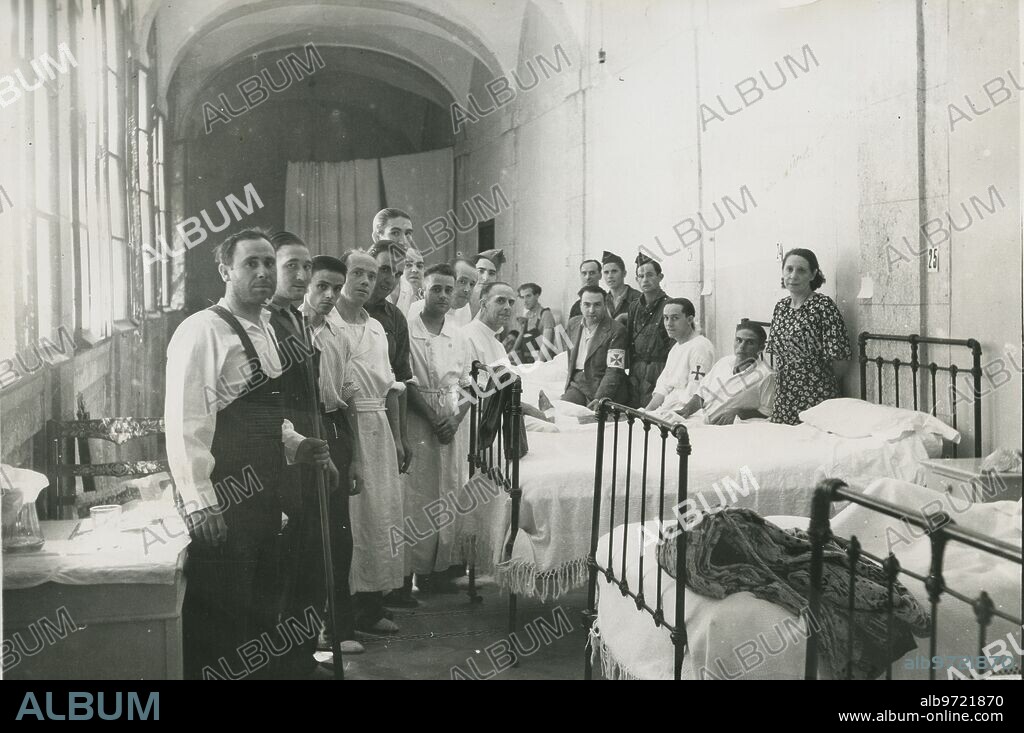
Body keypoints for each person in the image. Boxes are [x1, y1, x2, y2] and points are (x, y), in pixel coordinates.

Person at [165, 228, 337, 680]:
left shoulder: (265, 327)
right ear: (225, 271)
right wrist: (201, 502)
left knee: (262, 611)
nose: (262, 272)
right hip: (225, 496)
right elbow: (187, 425)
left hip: (267, 493)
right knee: (223, 620)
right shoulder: (201, 331)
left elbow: (264, 415)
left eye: (267, 262)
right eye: (250, 264)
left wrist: (297, 445)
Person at [333, 250, 407, 634]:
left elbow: (392, 386)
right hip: (348, 424)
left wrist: (396, 438)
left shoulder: (376, 327)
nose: (366, 280)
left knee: (380, 516)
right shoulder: (329, 325)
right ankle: (341, 615)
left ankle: (371, 605)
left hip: (379, 424)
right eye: (357, 273)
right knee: (352, 519)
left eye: (372, 274)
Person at [298, 254, 365, 656]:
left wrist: (353, 456)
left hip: (334, 427)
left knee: (339, 537)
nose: (328, 295)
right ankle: (301, 638)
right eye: (321, 286)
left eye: (335, 289)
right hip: (298, 434)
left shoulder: (338, 335)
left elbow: (348, 398)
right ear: (307, 283)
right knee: (303, 537)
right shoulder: (284, 331)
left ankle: (339, 629)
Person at [404, 264, 472, 593]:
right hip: (418, 418)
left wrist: (456, 419)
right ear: (422, 292)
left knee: (449, 492)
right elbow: (404, 379)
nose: (443, 295)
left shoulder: (459, 333)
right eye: (436, 289)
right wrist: (432, 419)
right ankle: (415, 570)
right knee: (419, 493)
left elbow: (476, 383)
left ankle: (440, 569)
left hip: (452, 416)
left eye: (449, 289)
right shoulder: (407, 329)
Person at [765, 248, 851, 425]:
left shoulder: (823, 306)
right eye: (789, 269)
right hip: (784, 397)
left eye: (801, 270)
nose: (793, 275)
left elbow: (840, 360)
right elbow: (777, 353)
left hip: (816, 396)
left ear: (813, 275)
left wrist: (816, 382)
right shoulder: (781, 307)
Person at [674, 322, 776, 424]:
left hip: (732, 427)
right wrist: (686, 410)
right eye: (738, 340)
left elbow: (767, 412)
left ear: (761, 348)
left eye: (749, 343)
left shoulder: (766, 375)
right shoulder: (723, 362)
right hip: (703, 419)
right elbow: (701, 394)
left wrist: (739, 413)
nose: (741, 346)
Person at [561, 285, 629, 408]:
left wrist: (600, 398)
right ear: (580, 305)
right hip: (577, 384)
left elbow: (614, 370)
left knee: (591, 421)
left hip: (602, 385)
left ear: (605, 305)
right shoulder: (573, 324)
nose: (591, 310)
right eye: (587, 305)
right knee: (564, 409)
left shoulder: (616, 330)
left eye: (597, 305)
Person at [645, 298, 716, 413]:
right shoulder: (676, 348)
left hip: (687, 412)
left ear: (689, 319)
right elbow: (663, 387)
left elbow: (695, 390)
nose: (668, 324)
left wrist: (673, 414)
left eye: (675, 318)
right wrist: (647, 411)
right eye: (666, 318)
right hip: (668, 408)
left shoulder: (700, 346)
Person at [626, 253, 674, 408]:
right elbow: (629, 340)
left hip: (659, 370)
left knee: (651, 415)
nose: (645, 280)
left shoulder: (670, 306)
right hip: (636, 372)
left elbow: (674, 346)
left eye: (650, 275)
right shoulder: (634, 306)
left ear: (660, 277)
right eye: (641, 276)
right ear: (636, 280)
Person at [407, 256, 475, 327]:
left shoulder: (465, 310)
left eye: (472, 284)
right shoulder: (417, 310)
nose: (467, 289)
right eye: (462, 281)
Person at [512, 283, 556, 364]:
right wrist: (510, 355)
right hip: (526, 362)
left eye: (528, 296)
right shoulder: (527, 315)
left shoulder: (545, 314)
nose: (525, 301)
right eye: (522, 297)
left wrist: (538, 365)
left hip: (542, 363)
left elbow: (546, 345)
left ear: (537, 296)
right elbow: (520, 337)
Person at [601, 250, 641, 323]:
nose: (610, 276)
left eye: (614, 271)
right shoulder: (602, 300)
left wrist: (623, 317)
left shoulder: (638, 298)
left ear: (624, 273)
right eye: (606, 272)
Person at [470, 248, 505, 315]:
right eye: (480, 271)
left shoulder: (497, 308)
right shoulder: (460, 304)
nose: (485, 278)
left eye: (491, 273)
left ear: (496, 278)